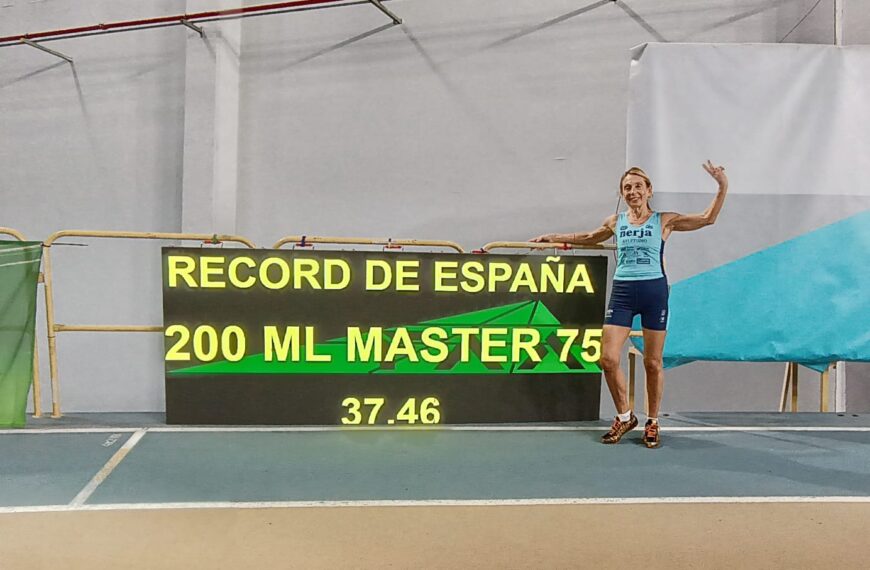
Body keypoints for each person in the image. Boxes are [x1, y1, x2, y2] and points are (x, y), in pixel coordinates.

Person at [531, 161, 728, 448]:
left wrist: (722, 185)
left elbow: (707, 218)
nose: (632, 191)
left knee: (652, 362)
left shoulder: (664, 220)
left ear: (649, 191)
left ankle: (653, 422)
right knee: (608, 359)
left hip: (654, 292)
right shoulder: (616, 222)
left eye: (638, 186)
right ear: (622, 194)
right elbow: (588, 237)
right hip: (623, 291)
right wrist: (554, 238)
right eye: (627, 187)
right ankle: (624, 416)